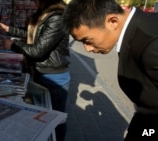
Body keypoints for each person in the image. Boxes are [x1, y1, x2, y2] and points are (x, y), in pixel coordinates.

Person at [62, 0, 158, 140]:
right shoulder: (137, 30)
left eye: (87, 40)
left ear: (112, 21)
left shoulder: (151, 42)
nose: (87, 49)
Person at [0, 0, 70, 140]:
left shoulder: (57, 17)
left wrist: (13, 45)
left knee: (56, 119)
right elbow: (33, 35)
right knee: (42, 116)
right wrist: (9, 29)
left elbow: (38, 51)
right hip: (41, 72)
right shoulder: (45, 14)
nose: (34, 2)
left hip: (54, 76)